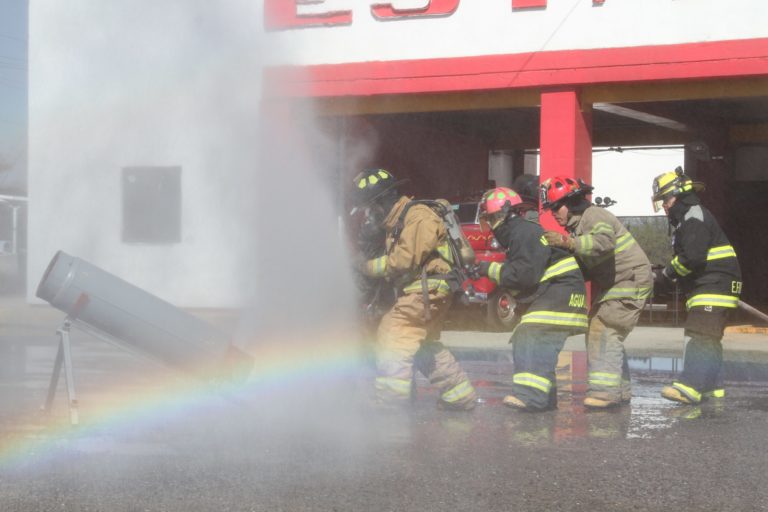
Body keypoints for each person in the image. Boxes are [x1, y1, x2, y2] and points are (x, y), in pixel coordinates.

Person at [350, 168, 477, 410]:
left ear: (381, 202)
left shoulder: (418, 216)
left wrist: (365, 267)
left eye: (370, 208)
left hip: (426, 290)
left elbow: (403, 260)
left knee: (393, 335)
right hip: (424, 291)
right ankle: (459, 396)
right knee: (422, 344)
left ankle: (390, 403)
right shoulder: (400, 221)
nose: (370, 215)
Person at [540, 176, 653, 408]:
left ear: (571, 202)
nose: (553, 214)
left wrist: (568, 243)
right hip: (617, 282)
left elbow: (603, 243)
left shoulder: (594, 215)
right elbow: (587, 265)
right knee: (598, 327)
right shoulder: (579, 228)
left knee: (605, 328)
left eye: (556, 207)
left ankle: (604, 393)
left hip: (629, 279)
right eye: (550, 210)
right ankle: (619, 390)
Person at [474, 187, 587, 411]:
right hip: (561, 294)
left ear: (501, 214)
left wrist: (486, 268)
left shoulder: (523, 232)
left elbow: (523, 276)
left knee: (530, 335)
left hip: (561, 293)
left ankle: (530, 397)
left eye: (490, 219)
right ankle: (544, 399)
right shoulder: (521, 232)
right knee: (537, 340)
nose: (490, 226)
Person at [651, 167, 741, 404]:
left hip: (714, 282)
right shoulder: (688, 218)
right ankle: (713, 387)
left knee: (699, 334)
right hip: (714, 282)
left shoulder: (693, 215)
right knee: (709, 336)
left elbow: (693, 257)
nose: (664, 206)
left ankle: (689, 386)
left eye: (666, 200)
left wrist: (665, 274)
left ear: (678, 195)